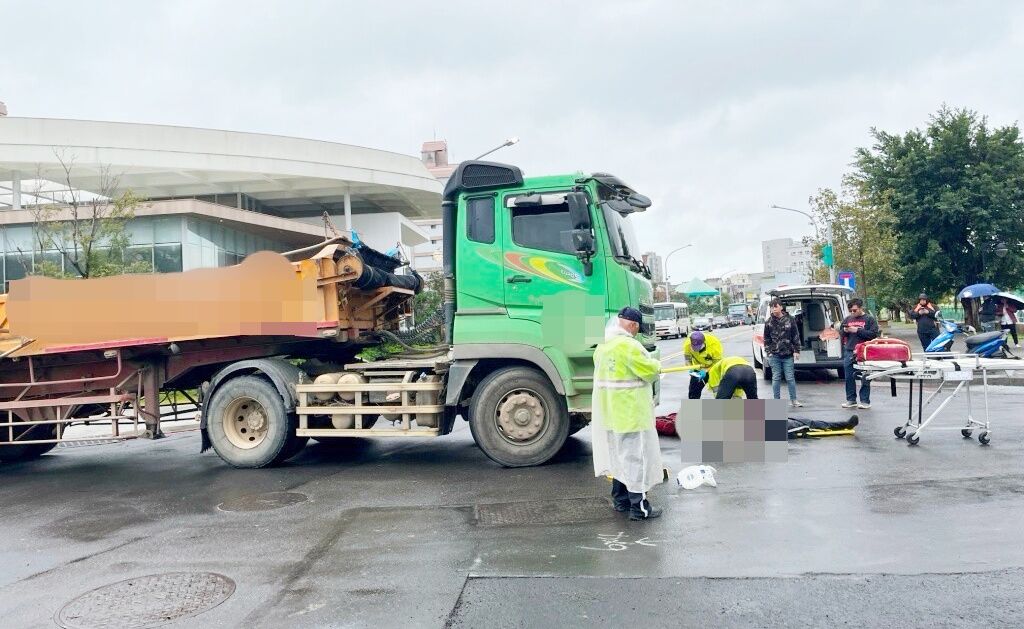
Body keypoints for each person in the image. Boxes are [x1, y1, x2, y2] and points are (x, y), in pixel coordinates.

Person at [592, 307, 664, 521]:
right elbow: (649, 370)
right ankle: (639, 509)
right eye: (637, 328)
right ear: (633, 325)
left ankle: (620, 501)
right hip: (631, 414)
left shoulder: (602, 346)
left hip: (610, 414)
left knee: (618, 459)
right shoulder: (629, 346)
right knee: (635, 460)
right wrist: (657, 364)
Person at [762, 298, 803, 407]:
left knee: (790, 378)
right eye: (771, 307)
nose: (773, 309)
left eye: (775, 307)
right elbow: (766, 339)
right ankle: (777, 401)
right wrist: (768, 352)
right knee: (776, 378)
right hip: (774, 355)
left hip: (788, 354)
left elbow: (795, 335)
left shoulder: (790, 319)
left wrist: (797, 350)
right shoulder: (768, 322)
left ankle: (794, 400)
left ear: (781, 307)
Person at [840, 298, 879, 410]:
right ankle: (851, 400)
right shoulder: (847, 319)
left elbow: (873, 334)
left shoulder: (869, 319)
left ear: (861, 308)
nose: (852, 313)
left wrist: (857, 330)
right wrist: (845, 331)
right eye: (851, 311)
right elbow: (841, 333)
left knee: (865, 376)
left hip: (864, 351)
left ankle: (865, 400)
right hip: (850, 350)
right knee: (848, 376)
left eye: (854, 310)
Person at [682, 330, 723, 399]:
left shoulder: (714, 344)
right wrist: (691, 368)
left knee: (718, 389)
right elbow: (687, 360)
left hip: (713, 368)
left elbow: (717, 363)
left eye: (698, 348)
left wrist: (706, 371)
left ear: (704, 343)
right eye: (694, 348)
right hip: (698, 368)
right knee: (693, 391)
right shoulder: (687, 344)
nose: (696, 350)